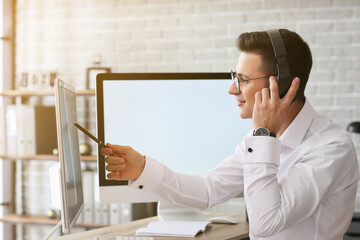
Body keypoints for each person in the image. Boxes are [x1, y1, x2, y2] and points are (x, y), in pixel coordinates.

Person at [101, 29, 359, 240]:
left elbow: (265, 223)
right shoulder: (264, 141)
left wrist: (263, 134)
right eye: (234, 76)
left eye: (243, 79)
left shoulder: (330, 148)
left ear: (279, 85)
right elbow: (207, 190)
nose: (231, 89)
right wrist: (142, 169)